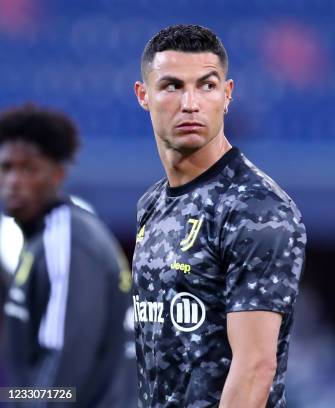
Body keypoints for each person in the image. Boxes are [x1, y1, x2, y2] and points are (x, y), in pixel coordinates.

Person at [132, 24, 306, 407]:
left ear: (227, 95)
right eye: (172, 86)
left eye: (207, 86)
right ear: (144, 96)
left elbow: (256, 367)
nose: (190, 103)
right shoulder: (152, 205)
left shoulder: (256, 209)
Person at [0, 104, 136, 407]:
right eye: (6, 168)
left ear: (58, 175)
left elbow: (65, 356)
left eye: (29, 169)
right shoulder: (42, 240)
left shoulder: (66, 240)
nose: (14, 181)